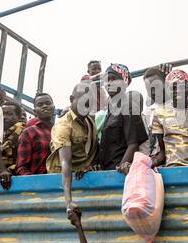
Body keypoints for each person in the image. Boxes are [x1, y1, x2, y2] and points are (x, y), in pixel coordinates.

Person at [46, 83, 99, 223]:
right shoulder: (63, 125)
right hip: (62, 184)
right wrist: (68, 201)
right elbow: (66, 163)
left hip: (85, 180)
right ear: (71, 99)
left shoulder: (90, 121)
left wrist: (90, 166)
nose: (85, 107)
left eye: (89, 103)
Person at [99, 63, 148, 172]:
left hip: (119, 174)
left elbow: (133, 144)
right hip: (106, 172)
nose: (110, 83)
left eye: (114, 79)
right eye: (107, 80)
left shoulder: (129, 106)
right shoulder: (111, 109)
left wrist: (119, 170)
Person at [16, 93, 55, 175]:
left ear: (53, 107)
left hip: (62, 181)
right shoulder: (29, 132)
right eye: (40, 105)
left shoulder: (61, 130)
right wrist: (35, 184)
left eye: (48, 103)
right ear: (35, 112)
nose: (44, 106)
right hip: (39, 182)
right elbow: (21, 167)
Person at [1, 102, 25, 175]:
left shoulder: (23, 133)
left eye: (9, 114)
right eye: (2, 114)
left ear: (19, 117)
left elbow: (23, 161)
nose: (4, 117)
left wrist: (4, 171)